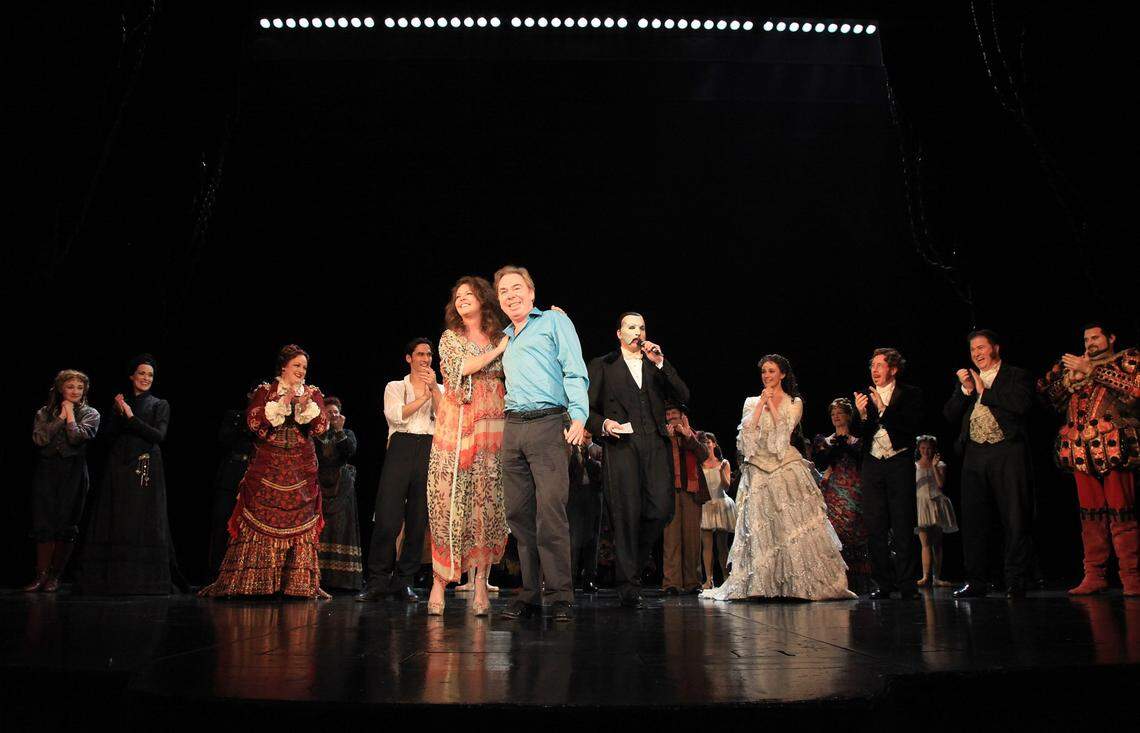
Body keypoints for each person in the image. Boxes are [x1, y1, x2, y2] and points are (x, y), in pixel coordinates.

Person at [703, 354, 854, 601]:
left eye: (771, 371)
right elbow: (746, 436)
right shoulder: (751, 401)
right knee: (761, 526)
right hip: (758, 467)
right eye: (764, 371)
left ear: (782, 374)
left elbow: (784, 432)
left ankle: (797, 583)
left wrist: (772, 404)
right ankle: (761, 584)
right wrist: (761, 404)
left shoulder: (795, 401)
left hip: (785, 464)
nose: (767, 375)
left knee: (791, 524)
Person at [495, 265, 589, 622]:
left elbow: (574, 368)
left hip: (548, 424)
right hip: (513, 427)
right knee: (519, 515)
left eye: (517, 288)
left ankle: (561, 595)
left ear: (532, 293)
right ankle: (530, 593)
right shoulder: (505, 338)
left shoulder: (553, 321)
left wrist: (579, 415)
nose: (511, 295)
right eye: (504, 291)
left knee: (550, 512)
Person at [200, 344, 330, 598]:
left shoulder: (312, 393)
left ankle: (297, 585)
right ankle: (252, 583)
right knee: (259, 519)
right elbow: (253, 421)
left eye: (304, 367)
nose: (301, 371)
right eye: (296, 365)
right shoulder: (266, 391)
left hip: (301, 472)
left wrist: (305, 407)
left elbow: (321, 427)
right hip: (268, 468)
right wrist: (284, 401)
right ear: (283, 367)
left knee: (301, 524)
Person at [584, 311, 691, 608]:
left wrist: (661, 363)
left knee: (661, 510)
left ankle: (633, 566)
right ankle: (628, 585)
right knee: (626, 514)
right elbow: (586, 408)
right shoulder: (603, 365)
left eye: (642, 327)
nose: (638, 332)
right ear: (619, 334)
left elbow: (683, 395)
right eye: (631, 327)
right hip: (622, 446)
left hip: (655, 444)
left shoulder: (655, 365)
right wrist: (604, 424)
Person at [426, 276, 511, 616]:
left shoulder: (500, 335)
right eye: (457, 296)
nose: (461, 299)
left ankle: (480, 583)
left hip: (492, 423)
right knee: (448, 499)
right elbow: (460, 369)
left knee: (487, 500)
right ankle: (439, 581)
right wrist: (499, 351)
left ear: (483, 299)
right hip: (458, 423)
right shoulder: (451, 337)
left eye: (468, 295)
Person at [1039, 322, 1139, 596]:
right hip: (1081, 451)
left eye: (1095, 337)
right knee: (1090, 516)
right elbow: (1046, 398)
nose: (1090, 343)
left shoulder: (1128, 360)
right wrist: (1069, 380)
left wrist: (1094, 371)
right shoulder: (1074, 365)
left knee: (1122, 513)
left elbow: (1134, 392)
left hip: (1115, 448)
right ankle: (1094, 574)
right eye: (1086, 339)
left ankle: (1132, 577)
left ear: (1111, 337)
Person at [943, 329, 1035, 598]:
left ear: (996, 348)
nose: (977, 354)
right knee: (974, 520)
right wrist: (965, 390)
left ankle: (1016, 580)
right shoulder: (971, 381)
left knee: (1014, 517)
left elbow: (1021, 405)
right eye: (973, 350)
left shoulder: (1015, 375)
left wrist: (985, 391)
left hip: (1007, 451)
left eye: (981, 348)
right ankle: (977, 580)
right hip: (975, 453)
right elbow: (949, 415)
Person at [79, 354, 181, 595]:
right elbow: (108, 436)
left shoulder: (159, 404)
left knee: (140, 517)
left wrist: (130, 416)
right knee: (117, 515)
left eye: (150, 375)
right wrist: (118, 413)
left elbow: (158, 436)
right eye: (142, 373)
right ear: (132, 376)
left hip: (145, 464)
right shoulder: (121, 403)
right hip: (118, 464)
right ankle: (113, 578)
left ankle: (142, 579)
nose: (146, 378)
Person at [357, 338, 441, 603]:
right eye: (420, 354)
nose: (425, 359)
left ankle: (404, 581)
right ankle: (377, 580)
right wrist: (423, 397)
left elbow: (445, 418)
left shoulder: (439, 388)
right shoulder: (395, 386)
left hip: (428, 447)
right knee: (387, 516)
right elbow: (395, 416)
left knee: (418, 519)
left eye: (428, 354)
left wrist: (433, 391)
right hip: (401, 446)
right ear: (409, 358)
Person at [856, 347, 923, 600]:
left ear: (893, 369)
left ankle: (907, 584)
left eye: (879, 365)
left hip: (898, 462)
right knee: (875, 525)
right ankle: (883, 583)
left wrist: (884, 409)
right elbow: (860, 435)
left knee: (903, 524)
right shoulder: (865, 395)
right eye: (872, 365)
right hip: (873, 464)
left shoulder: (910, 393)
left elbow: (911, 425)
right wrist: (863, 416)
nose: (874, 370)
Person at [26, 369, 100, 592]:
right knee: (43, 521)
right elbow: (40, 439)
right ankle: (41, 575)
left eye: (80, 387)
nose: (75, 391)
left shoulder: (91, 413)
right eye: (70, 387)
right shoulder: (44, 412)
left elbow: (76, 437)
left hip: (73, 472)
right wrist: (60, 417)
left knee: (67, 523)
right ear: (61, 389)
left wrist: (70, 415)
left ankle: (55, 576)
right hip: (47, 471)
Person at [811, 398, 870, 593]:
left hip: (855, 490)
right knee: (835, 531)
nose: (836, 416)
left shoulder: (857, 441)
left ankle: (859, 581)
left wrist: (846, 445)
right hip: (833, 490)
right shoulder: (825, 441)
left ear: (848, 416)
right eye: (833, 414)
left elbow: (861, 461)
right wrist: (836, 447)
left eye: (839, 413)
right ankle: (837, 579)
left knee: (855, 531)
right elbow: (821, 462)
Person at [315, 396, 362, 591]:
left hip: (341, 488)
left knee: (341, 529)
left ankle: (341, 581)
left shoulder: (347, 433)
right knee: (322, 529)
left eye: (336, 412)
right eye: (329, 412)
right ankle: (317, 577)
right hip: (319, 485)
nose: (333, 415)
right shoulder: (315, 434)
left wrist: (339, 431)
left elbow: (349, 450)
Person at [662, 404, 709, 595]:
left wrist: (688, 435)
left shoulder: (697, 435)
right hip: (670, 492)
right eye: (668, 414)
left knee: (692, 539)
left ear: (683, 416)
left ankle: (692, 582)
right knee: (671, 539)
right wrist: (667, 440)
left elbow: (704, 455)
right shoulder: (662, 437)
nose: (671, 417)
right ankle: (671, 583)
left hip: (691, 491)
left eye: (674, 413)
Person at [208, 390, 256, 575]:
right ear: (250, 395)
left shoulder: (270, 420)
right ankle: (216, 573)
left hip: (254, 478)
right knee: (223, 522)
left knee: (248, 527)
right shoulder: (235, 415)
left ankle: (242, 575)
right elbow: (224, 439)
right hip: (230, 475)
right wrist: (246, 422)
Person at [914, 435, 958, 587]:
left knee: (937, 543)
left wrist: (933, 466)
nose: (926, 451)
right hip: (922, 504)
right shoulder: (915, 466)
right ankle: (925, 576)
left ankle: (936, 577)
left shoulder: (940, 465)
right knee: (925, 543)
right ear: (919, 449)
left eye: (929, 448)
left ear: (934, 449)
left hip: (936, 503)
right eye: (923, 448)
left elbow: (940, 484)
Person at [697, 431, 735, 590]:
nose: (707, 444)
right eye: (704, 442)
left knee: (722, 546)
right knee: (707, 546)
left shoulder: (723, 463)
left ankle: (726, 577)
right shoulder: (699, 464)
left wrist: (721, 471)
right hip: (706, 505)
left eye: (709, 441)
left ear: (714, 444)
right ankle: (708, 579)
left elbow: (726, 486)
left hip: (721, 504)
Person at [568, 433, 604, 593]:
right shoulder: (568, 449)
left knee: (593, 539)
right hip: (574, 497)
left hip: (594, 496)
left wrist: (589, 453)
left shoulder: (598, 450)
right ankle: (570, 578)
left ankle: (589, 578)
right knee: (574, 540)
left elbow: (602, 472)